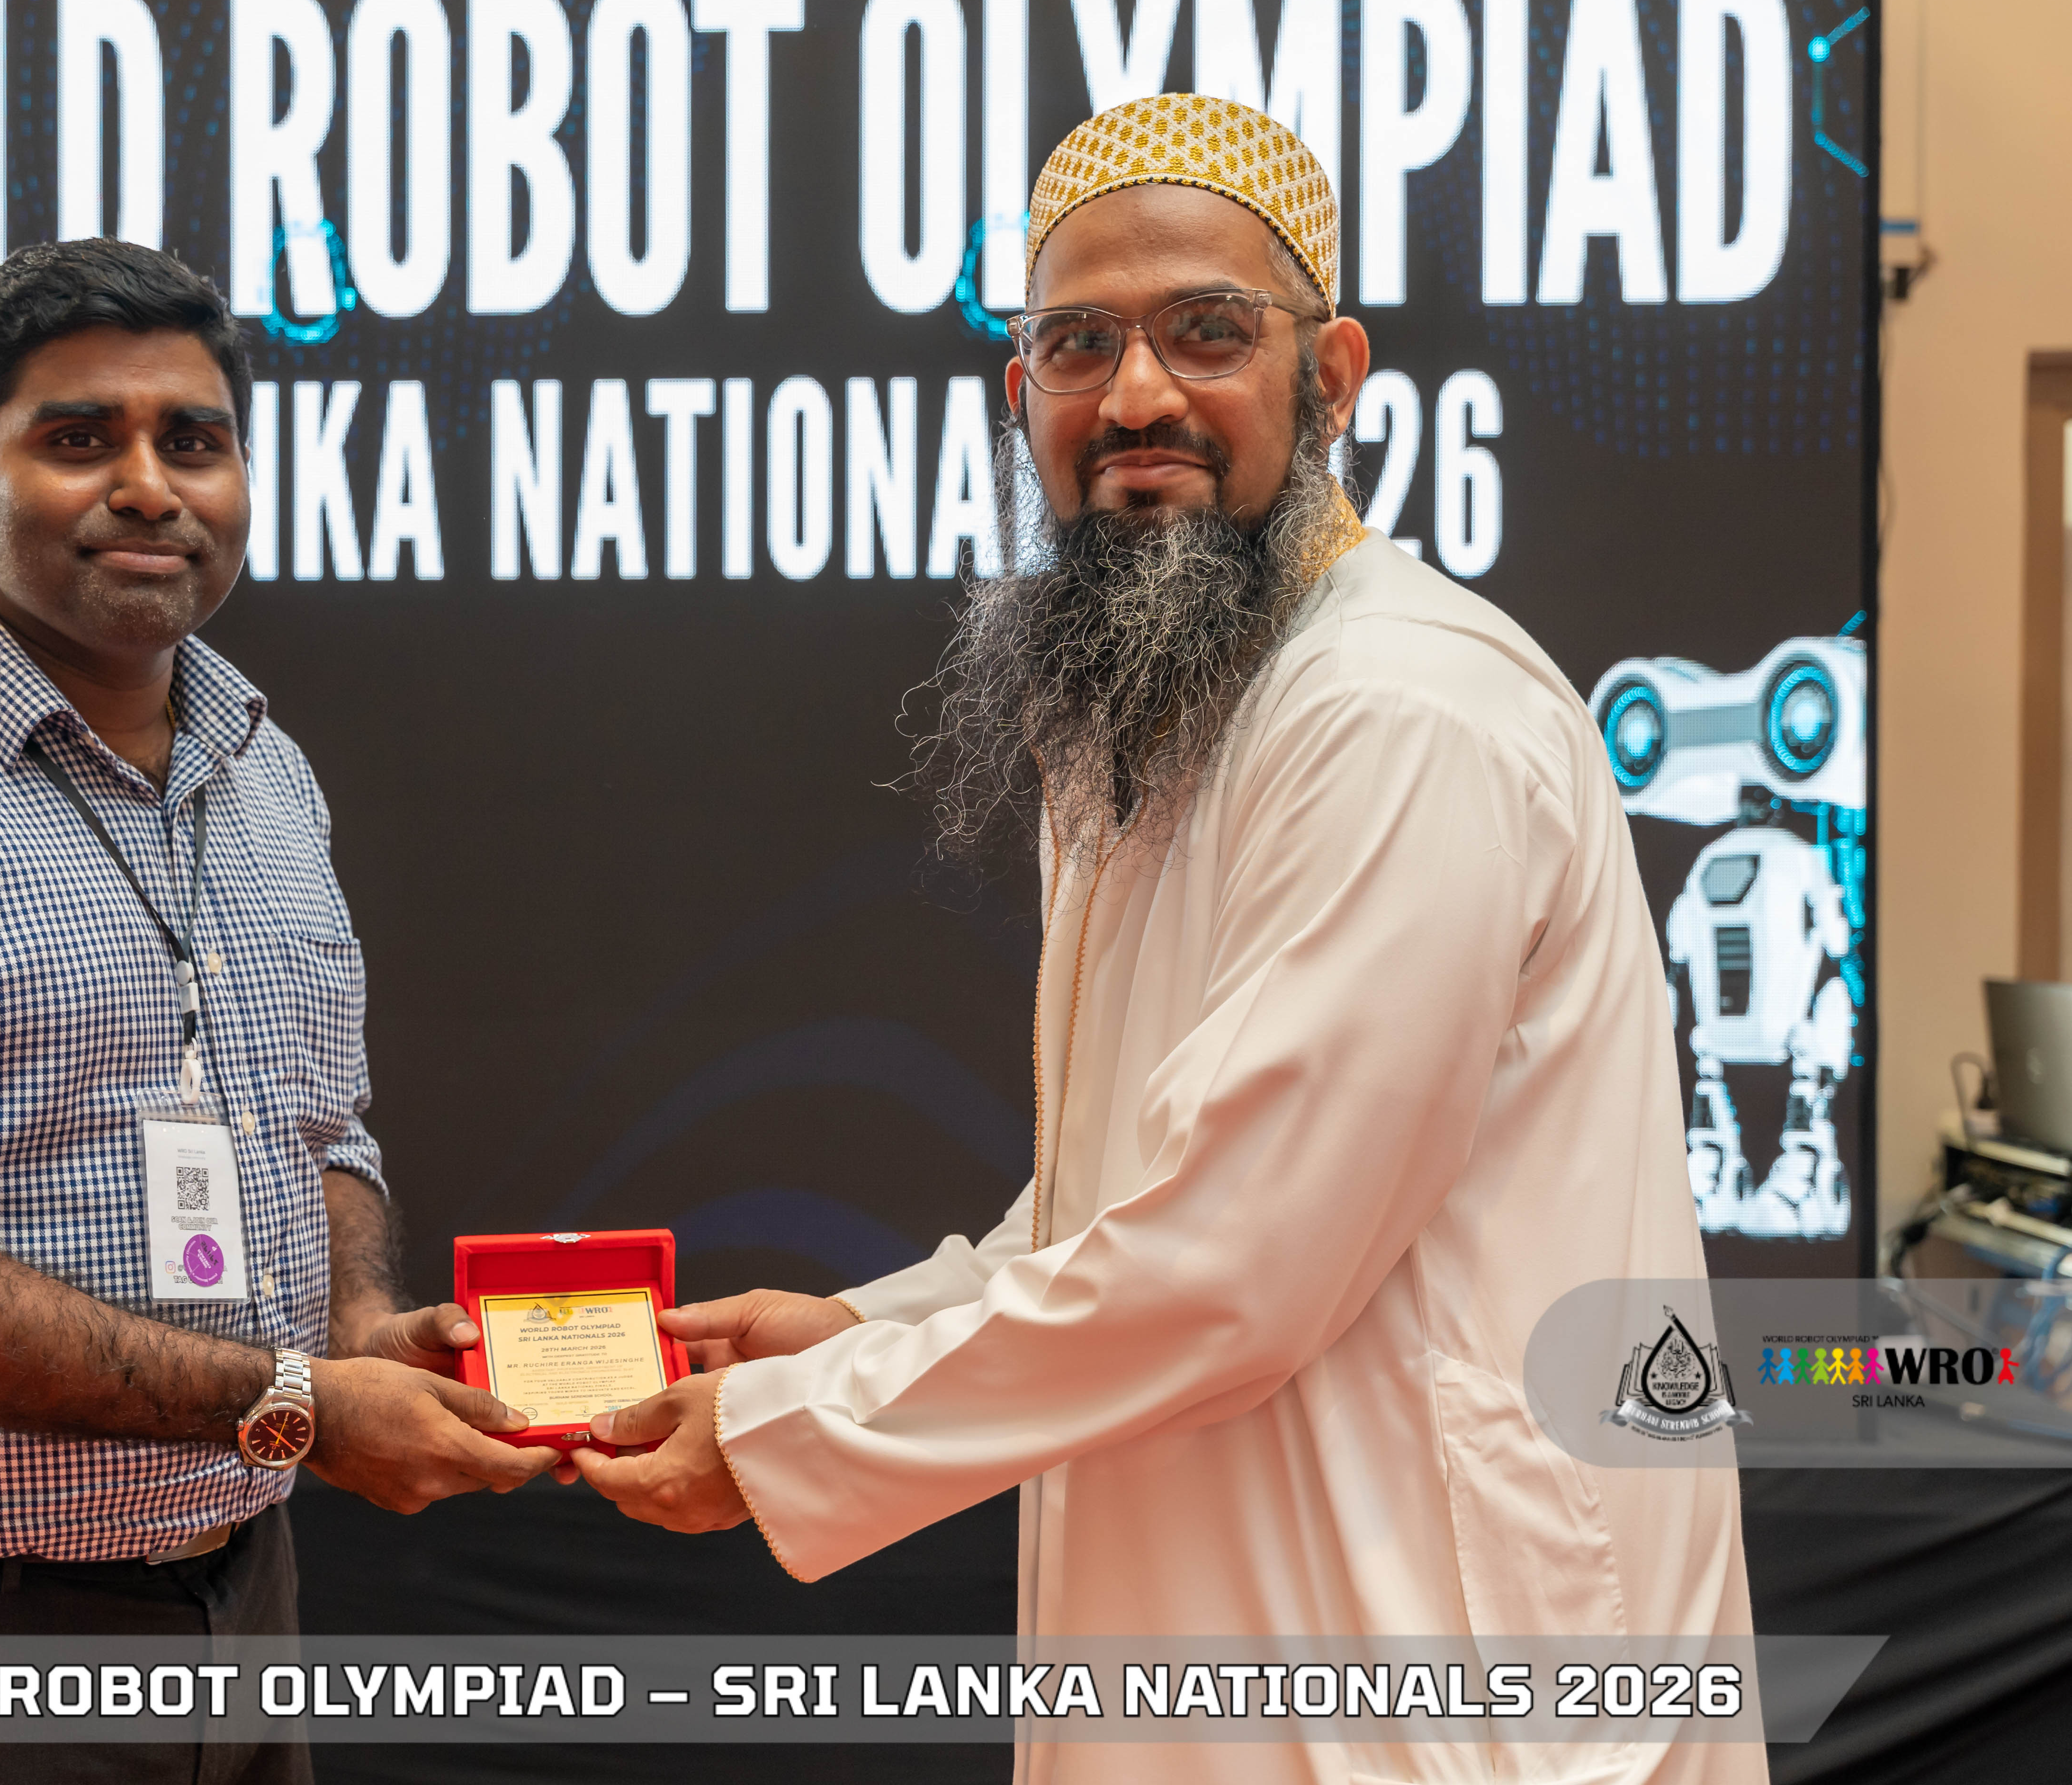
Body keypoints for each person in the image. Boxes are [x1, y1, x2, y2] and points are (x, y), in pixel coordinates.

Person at [574, 95, 1764, 1785]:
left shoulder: (1397, 710)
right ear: (1022, 398)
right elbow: (1127, 1199)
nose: (1136, 395)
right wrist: (865, 1330)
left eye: (1206, 331)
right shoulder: (1159, 705)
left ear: (1329, 376)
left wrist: (794, 1434)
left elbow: (1234, 1258)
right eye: (1078, 344)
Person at [0, 238, 556, 1785]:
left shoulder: (262, 769)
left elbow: (319, 1129)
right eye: (79, 438)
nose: (148, 487)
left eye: (192, 441)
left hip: (239, 1602)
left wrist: (351, 1331)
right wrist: (296, 1407)